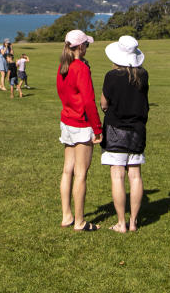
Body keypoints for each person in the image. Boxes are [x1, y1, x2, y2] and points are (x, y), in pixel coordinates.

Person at [100, 35, 149, 233]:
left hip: (115, 129)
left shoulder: (111, 76)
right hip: (137, 129)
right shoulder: (143, 75)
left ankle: (121, 222)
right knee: (135, 175)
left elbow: (104, 102)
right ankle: (134, 222)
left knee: (118, 175)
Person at [56, 29, 102, 231]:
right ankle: (80, 221)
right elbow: (89, 101)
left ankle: (67, 215)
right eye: (87, 45)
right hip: (81, 123)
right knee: (81, 173)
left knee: (68, 170)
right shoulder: (80, 68)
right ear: (81, 46)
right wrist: (97, 128)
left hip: (66, 121)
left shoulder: (63, 66)